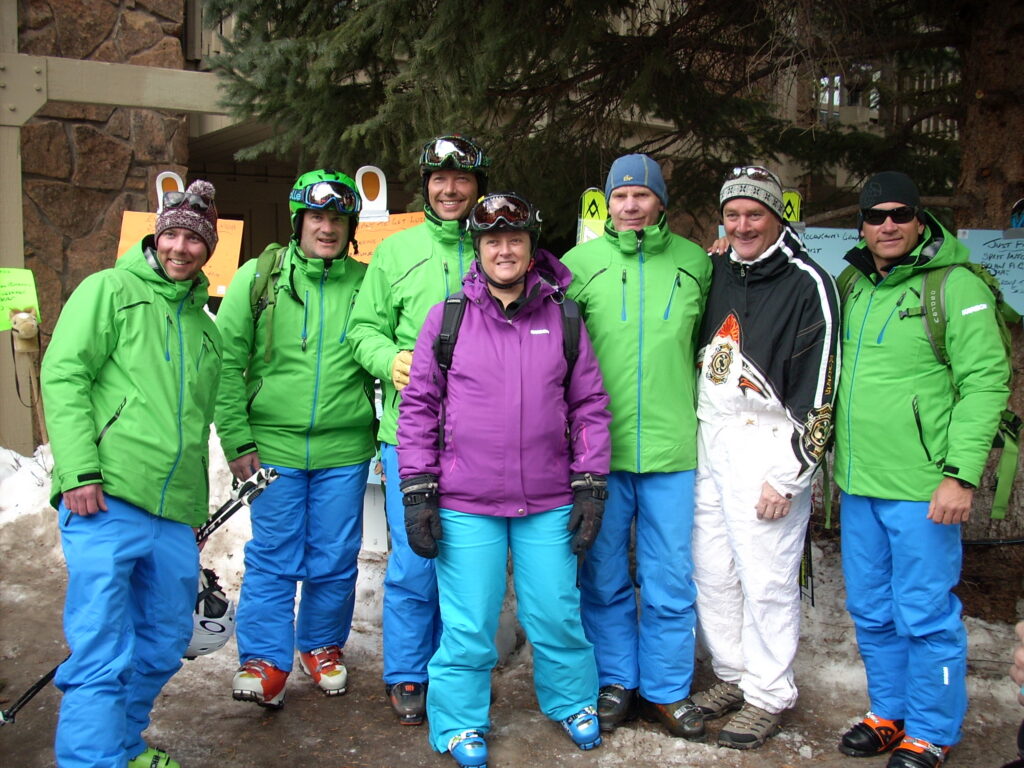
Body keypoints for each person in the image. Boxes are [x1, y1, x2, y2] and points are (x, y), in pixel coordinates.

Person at [396, 192, 612, 767]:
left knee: (556, 612)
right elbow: (418, 408)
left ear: (531, 247)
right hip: (468, 501)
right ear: (479, 248)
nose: (504, 249)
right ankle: (460, 721)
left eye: (515, 239)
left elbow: (588, 403)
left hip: (546, 499)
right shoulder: (448, 320)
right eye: (492, 240)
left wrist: (590, 482)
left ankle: (570, 700)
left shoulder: (563, 317)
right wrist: (418, 491)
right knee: (469, 623)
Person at [41, 180, 222, 768]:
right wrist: (78, 471)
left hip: (172, 514)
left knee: (165, 642)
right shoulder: (108, 291)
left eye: (194, 239)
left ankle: (122, 744)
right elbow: (64, 376)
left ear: (208, 249)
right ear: (155, 235)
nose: (180, 248)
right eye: (171, 233)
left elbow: (195, 423)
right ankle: (91, 760)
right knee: (101, 647)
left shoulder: (206, 328)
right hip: (105, 498)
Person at [834, 171, 1011, 768]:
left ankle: (932, 729)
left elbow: (986, 382)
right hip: (858, 484)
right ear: (860, 224)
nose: (888, 225)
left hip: (924, 488)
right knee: (871, 609)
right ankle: (890, 713)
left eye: (900, 214)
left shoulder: (953, 285)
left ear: (919, 220)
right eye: (875, 215)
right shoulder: (854, 282)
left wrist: (961, 475)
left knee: (925, 613)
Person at [561, 153, 712, 740]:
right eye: (620, 196)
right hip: (601, 452)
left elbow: (709, 346)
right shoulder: (579, 265)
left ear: (660, 203)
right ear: (607, 203)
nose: (630, 206)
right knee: (602, 575)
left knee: (671, 576)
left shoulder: (696, 263)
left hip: (673, 451)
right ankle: (616, 680)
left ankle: (669, 690)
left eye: (641, 196)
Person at [691, 166, 840, 749]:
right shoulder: (716, 270)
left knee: (767, 578)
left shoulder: (809, 283)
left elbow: (822, 388)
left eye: (755, 213)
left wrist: (792, 474)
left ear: (779, 216)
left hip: (769, 442)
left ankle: (769, 691)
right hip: (712, 437)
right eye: (733, 214)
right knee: (713, 569)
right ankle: (734, 674)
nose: (743, 224)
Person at [215, 169, 376, 708]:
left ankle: (322, 645)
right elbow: (227, 362)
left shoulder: (365, 281)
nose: (326, 227)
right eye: (316, 217)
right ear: (297, 222)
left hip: (344, 447)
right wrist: (237, 439)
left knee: (335, 554)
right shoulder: (258, 279)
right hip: (274, 445)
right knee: (274, 555)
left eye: (336, 218)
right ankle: (264, 660)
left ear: (349, 225)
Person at [348, 135, 490, 724]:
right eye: (439, 178)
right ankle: (408, 670)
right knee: (414, 555)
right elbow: (363, 330)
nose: (450, 189)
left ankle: (455, 665)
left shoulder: (499, 246)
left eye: (461, 180)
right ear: (426, 184)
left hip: (486, 433)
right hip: (413, 430)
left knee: (471, 556)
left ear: (478, 187)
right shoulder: (395, 251)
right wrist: (389, 360)